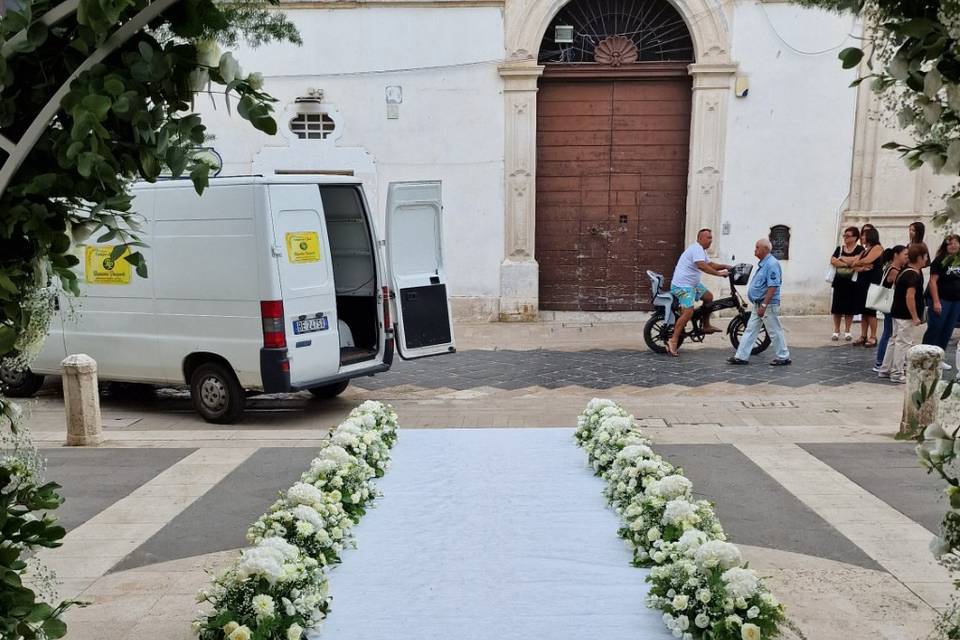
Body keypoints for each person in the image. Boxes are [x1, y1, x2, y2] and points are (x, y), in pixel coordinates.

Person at [666, 228, 732, 357]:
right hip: (683, 286)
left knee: (708, 297)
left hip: (692, 284)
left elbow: (710, 264)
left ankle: (706, 325)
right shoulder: (696, 249)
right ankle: (673, 340)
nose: (710, 240)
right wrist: (719, 274)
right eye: (708, 238)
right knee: (688, 312)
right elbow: (702, 266)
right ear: (700, 239)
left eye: (711, 238)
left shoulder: (701, 250)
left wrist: (725, 266)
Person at [726, 238, 791, 366]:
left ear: (765, 249)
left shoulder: (771, 264)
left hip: (767, 304)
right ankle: (741, 356)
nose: (754, 250)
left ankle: (783, 356)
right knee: (750, 329)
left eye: (757, 247)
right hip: (759, 304)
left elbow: (773, 286)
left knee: (774, 330)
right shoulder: (764, 263)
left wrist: (764, 304)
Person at [878, 242, 929, 383]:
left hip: (897, 312)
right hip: (905, 314)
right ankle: (896, 372)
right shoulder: (913, 275)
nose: (926, 259)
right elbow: (910, 296)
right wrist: (915, 316)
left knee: (894, 340)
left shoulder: (904, 270)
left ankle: (885, 369)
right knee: (903, 342)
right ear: (919, 258)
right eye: (925, 256)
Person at [922, 234, 960, 365]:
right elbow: (933, 282)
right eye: (950, 243)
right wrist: (936, 301)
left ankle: (939, 357)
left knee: (948, 329)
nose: (953, 246)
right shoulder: (940, 260)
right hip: (942, 300)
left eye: (956, 243)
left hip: (956, 301)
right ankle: (925, 356)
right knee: (935, 328)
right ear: (945, 246)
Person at [873, 245, 907, 372]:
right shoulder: (893, 270)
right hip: (890, 304)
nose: (907, 257)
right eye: (905, 254)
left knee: (890, 332)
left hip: (890, 304)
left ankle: (884, 361)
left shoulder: (894, 267)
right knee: (889, 333)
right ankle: (880, 361)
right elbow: (901, 286)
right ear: (896, 255)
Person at [852, 227, 883, 347]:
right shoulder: (864, 250)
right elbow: (855, 264)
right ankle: (863, 335)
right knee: (863, 311)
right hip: (862, 281)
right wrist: (862, 265)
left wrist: (860, 262)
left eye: (864, 235)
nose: (862, 238)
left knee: (871, 311)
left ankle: (873, 336)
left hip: (871, 282)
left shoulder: (877, 248)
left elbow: (868, 260)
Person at [830, 226, 863, 341]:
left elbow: (858, 261)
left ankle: (848, 330)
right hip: (839, 281)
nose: (845, 238)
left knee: (849, 308)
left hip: (852, 282)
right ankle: (836, 330)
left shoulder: (860, 249)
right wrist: (849, 263)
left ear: (855, 237)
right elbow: (833, 261)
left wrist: (843, 259)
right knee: (837, 307)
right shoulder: (840, 248)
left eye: (848, 236)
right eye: (844, 235)